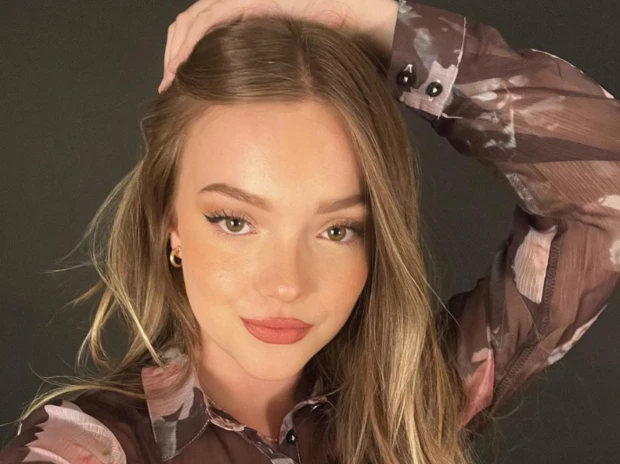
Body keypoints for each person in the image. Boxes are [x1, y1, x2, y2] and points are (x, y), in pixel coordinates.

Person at [1, 0, 619, 463]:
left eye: (337, 230)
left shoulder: (411, 403)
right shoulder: (87, 448)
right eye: (236, 221)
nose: (286, 285)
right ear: (171, 225)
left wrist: (372, 23)